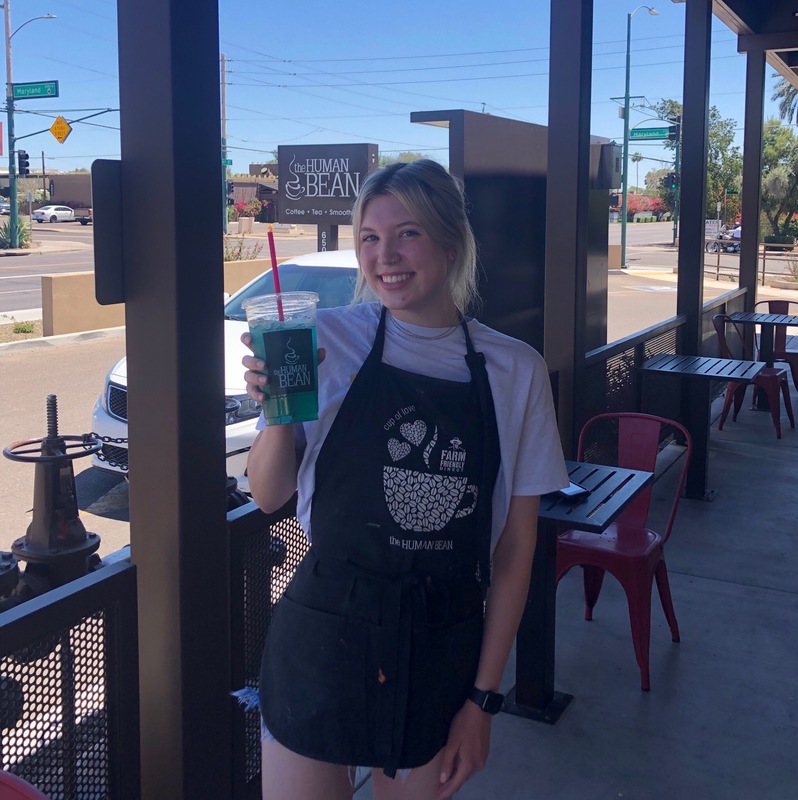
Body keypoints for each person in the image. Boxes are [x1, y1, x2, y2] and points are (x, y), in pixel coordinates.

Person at [240, 159, 569, 800]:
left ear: (451, 243)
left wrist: (483, 700)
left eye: (407, 233)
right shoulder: (320, 340)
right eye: (369, 237)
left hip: (440, 646)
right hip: (323, 635)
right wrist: (278, 413)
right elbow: (267, 493)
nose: (384, 255)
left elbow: (514, 553)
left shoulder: (514, 369)